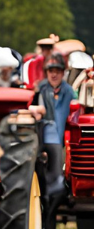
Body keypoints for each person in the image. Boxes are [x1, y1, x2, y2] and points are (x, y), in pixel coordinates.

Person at [34, 54, 74, 197]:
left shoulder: (69, 91)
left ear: (63, 72)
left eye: (58, 71)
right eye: (51, 71)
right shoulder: (41, 88)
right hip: (44, 136)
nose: (54, 74)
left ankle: (62, 190)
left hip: (63, 137)